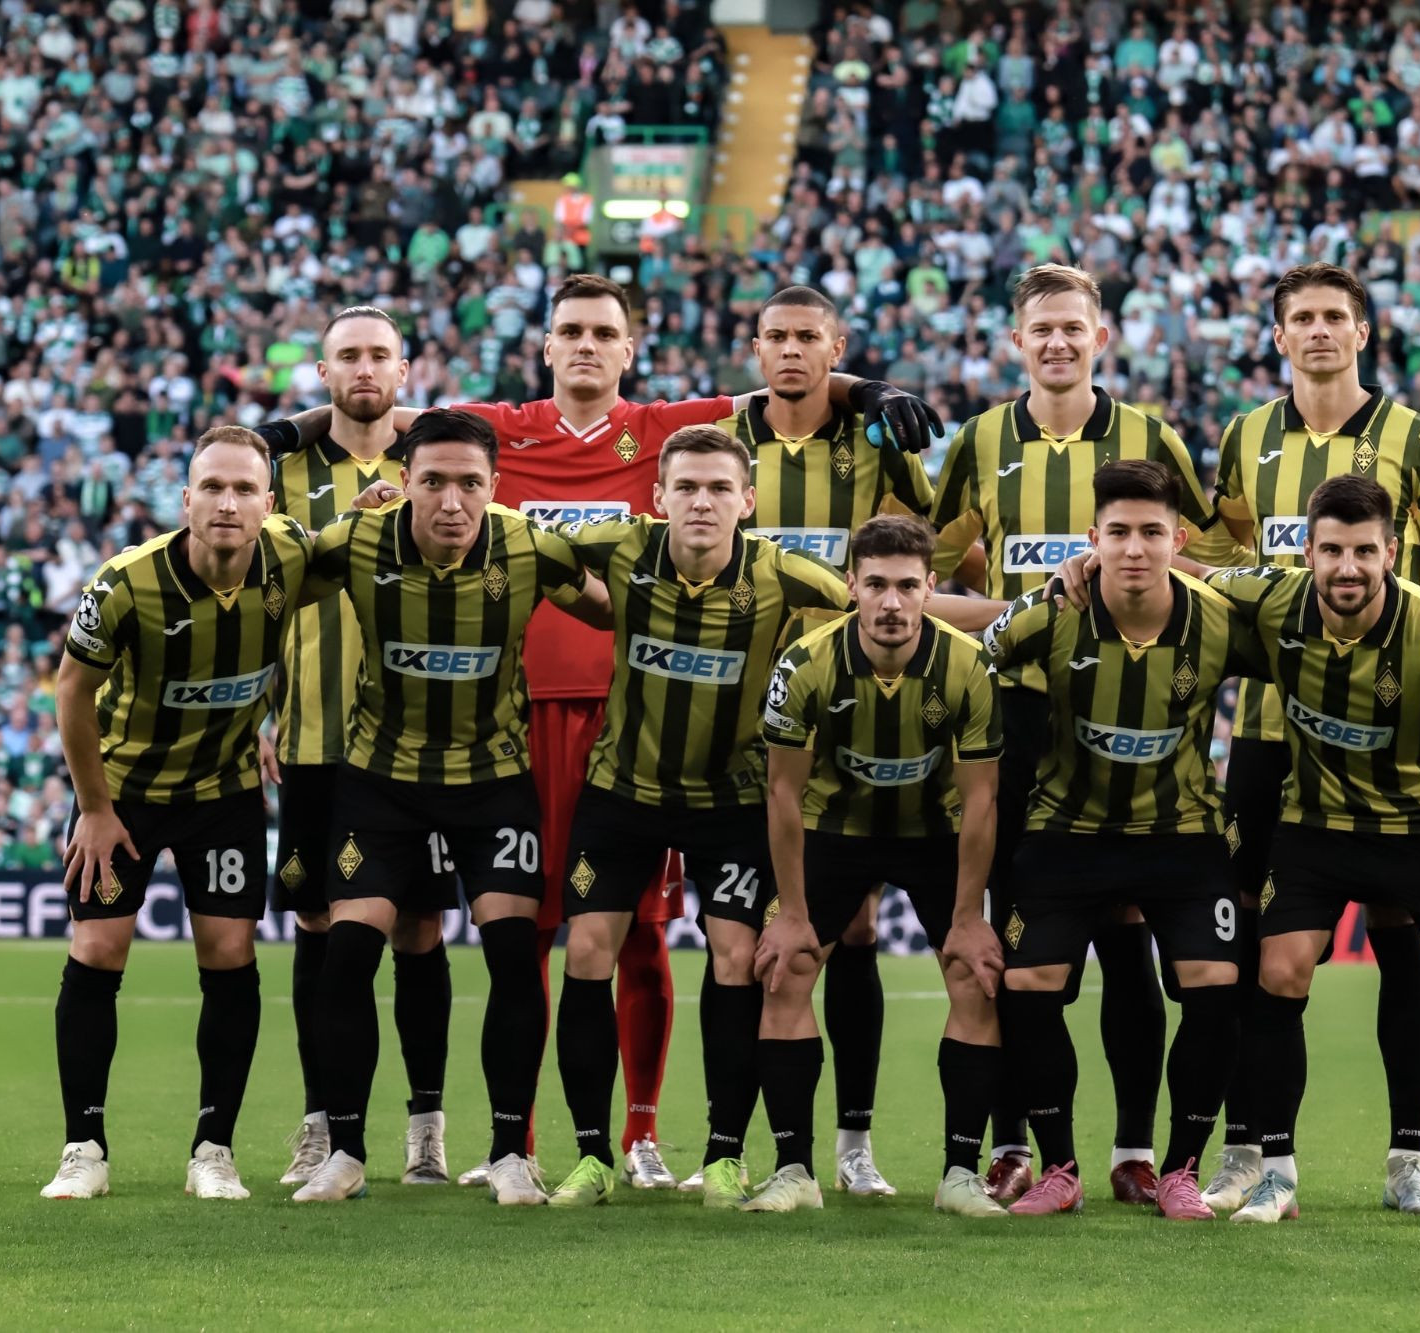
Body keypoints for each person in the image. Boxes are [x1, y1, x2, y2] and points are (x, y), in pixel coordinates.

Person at [293, 273, 938, 1190]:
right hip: (518, 713)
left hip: (628, 711)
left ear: (629, 350)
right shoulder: (498, 428)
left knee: (639, 933)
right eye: (572, 331)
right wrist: (281, 433)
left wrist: (866, 389)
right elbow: (368, 406)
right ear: (546, 347)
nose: (587, 345)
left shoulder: (669, 427)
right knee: (534, 930)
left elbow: (785, 381)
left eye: (604, 332)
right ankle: (519, 1143)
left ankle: (641, 1135)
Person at [930, 263, 1243, 1206]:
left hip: (1134, 710)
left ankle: (1134, 1150)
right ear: (1016, 341)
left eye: (1074, 326)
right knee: (1024, 949)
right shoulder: (981, 439)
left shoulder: (1150, 438)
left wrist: (1128, 573)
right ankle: (1020, 1147)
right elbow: (926, 563)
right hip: (1024, 716)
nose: (1058, 342)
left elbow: (1213, 552)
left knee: (1131, 937)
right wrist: (1029, 597)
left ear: (1100, 337)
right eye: (1042, 329)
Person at [1178, 262, 1420, 1216]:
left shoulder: (1418, 442)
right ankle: (1249, 1151)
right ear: (1279, 336)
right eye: (1301, 317)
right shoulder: (1245, 437)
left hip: (1388, 739)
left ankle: (1408, 1154)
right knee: (1254, 944)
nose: (1318, 330)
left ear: (1363, 332)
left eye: (1334, 317)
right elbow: (1219, 560)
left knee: (1406, 943)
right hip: (1272, 729)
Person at [283, 410, 613, 1205]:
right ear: (404, 483)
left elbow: (611, 610)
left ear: (495, 487)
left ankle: (508, 1151)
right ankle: (345, 1149)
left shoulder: (530, 546)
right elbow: (272, 586)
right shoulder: (358, 541)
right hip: (380, 778)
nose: (452, 501)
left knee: (512, 954)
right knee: (348, 950)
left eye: (470, 482)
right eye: (433, 481)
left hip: (492, 780)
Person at [542, 425, 852, 1208]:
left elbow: (875, 604)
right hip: (623, 790)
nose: (702, 502)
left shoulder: (782, 573)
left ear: (747, 501)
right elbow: (526, 544)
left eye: (719, 488)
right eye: (686, 487)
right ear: (659, 497)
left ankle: (723, 1154)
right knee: (588, 949)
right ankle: (592, 1154)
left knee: (737, 956)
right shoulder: (622, 545)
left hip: (731, 801)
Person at [1209, 475, 1420, 1229]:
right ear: (1307, 551)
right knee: (1278, 969)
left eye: (1364, 551)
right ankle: (1276, 1175)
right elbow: (1195, 577)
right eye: (1333, 550)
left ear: (1391, 553)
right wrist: (1093, 565)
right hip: (1318, 824)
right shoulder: (1276, 599)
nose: (1348, 567)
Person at [983, 461, 1265, 1221]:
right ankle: (1059, 1167)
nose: (1134, 549)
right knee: (1027, 985)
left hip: (1181, 834)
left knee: (1216, 982)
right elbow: (967, 662)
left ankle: (1180, 1169)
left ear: (1179, 539)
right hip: (1066, 833)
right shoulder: (1050, 612)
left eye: (1150, 533)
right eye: (1118, 533)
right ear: (1093, 539)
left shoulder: (1219, 619)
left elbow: (1306, 641)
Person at [41, 426, 312, 1202]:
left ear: (269, 502)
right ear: (186, 499)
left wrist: (277, 717)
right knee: (98, 949)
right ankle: (84, 1147)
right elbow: (71, 689)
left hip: (223, 790)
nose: (227, 502)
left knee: (230, 953)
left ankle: (213, 1149)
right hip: (122, 790)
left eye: (244, 488)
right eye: (212, 487)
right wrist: (94, 808)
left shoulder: (293, 556)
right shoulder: (124, 584)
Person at [718, 285, 941, 1195]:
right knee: (752, 942)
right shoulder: (720, 435)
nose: (792, 351)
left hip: (856, 720)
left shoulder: (875, 442)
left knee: (847, 930)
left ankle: (851, 1145)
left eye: (809, 337)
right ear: (755, 348)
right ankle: (732, 1148)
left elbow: (930, 543)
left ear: (834, 346)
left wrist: (874, 394)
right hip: (737, 726)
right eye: (776, 336)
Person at [752, 514, 1006, 1216]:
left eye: (906, 586)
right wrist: (792, 913)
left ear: (931, 586)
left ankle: (960, 1175)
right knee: (786, 969)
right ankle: (794, 1170)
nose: (891, 603)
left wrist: (968, 918)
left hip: (934, 829)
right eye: (875, 586)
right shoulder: (805, 664)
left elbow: (981, 799)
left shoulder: (969, 665)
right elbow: (783, 792)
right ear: (852, 587)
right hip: (835, 826)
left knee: (974, 976)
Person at [263, 306, 455, 1190]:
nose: (365, 368)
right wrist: (259, 710)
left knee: (419, 928)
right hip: (312, 735)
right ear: (324, 372)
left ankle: (426, 1129)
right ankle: (322, 1124)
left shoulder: (438, 462)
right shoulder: (281, 470)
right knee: (316, 927)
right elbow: (253, 584)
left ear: (404, 371)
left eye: (381, 354)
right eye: (349, 355)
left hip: (417, 745)